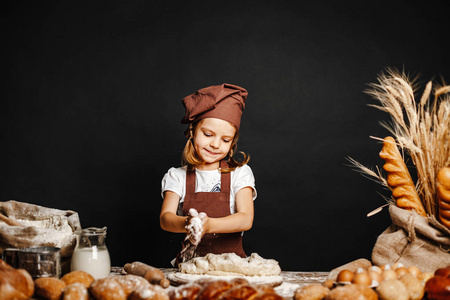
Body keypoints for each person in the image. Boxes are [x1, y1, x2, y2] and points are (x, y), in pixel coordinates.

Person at [160, 83, 257, 266]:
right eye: (208, 134)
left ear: (232, 143)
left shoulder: (239, 173)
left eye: (225, 139)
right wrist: (190, 223)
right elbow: (166, 219)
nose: (215, 144)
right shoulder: (177, 176)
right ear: (192, 131)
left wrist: (208, 225)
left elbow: (245, 218)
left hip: (233, 266)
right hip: (190, 267)